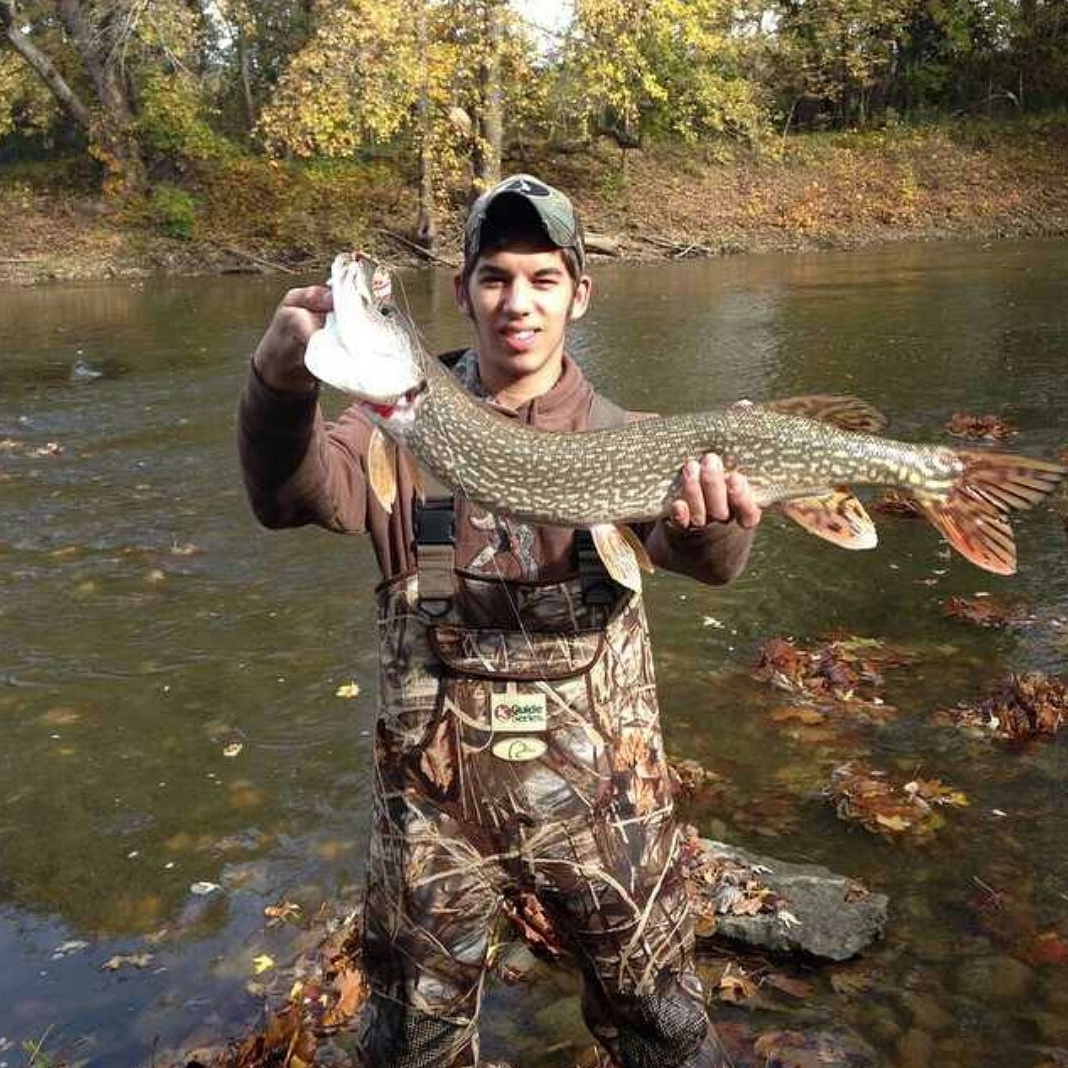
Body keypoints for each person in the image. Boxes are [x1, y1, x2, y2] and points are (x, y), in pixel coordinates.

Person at [238, 174, 762, 1068]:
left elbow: (703, 564)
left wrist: (719, 520)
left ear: (578, 295)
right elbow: (288, 497)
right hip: (430, 814)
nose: (517, 302)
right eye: (494, 278)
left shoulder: (627, 434)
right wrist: (277, 387)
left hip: (608, 805)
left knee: (659, 1026)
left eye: (542, 278)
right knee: (412, 1045)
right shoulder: (383, 429)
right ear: (462, 293)